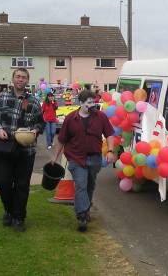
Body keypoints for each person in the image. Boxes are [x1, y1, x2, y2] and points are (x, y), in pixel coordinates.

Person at [51, 89, 115, 232]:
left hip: (94, 158)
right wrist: (54, 157)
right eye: (89, 102)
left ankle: (85, 210)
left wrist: (110, 151)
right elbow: (61, 140)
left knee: (89, 186)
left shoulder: (101, 117)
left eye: (94, 102)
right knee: (81, 185)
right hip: (76, 158)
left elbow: (110, 134)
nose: (92, 105)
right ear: (81, 103)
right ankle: (82, 216)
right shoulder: (70, 118)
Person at [0, 68, 45, 232]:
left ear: (27, 80)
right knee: (2, 182)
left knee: (22, 185)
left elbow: (40, 123)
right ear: (12, 79)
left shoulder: (34, 102)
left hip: (26, 150)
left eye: (24, 77)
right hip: (3, 148)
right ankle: (8, 210)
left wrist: (35, 131)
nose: (20, 79)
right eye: (18, 76)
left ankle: (18, 217)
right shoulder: (1, 98)